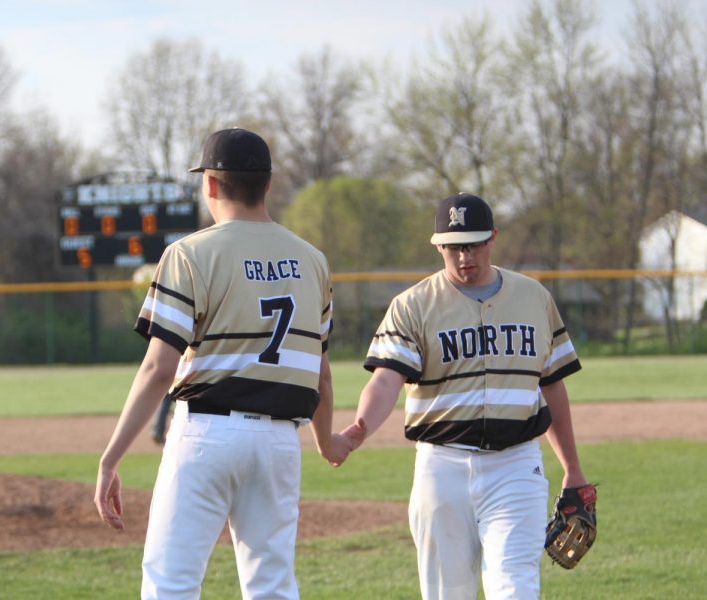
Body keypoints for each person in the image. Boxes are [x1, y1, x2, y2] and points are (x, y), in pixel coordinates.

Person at [94, 128, 349, 599]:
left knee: (171, 583)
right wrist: (326, 441)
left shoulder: (189, 254)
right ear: (268, 185)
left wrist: (111, 457)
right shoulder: (313, 261)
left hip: (206, 435)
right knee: (272, 586)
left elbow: (158, 369)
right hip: (278, 441)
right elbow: (322, 372)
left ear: (210, 184)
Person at [340, 193, 590, 599]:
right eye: (453, 247)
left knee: (515, 587)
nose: (463, 256)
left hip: (516, 465)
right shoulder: (413, 305)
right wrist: (360, 428)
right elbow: (386, 380)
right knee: (446, 593)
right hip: (441, 467)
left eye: (472, 244)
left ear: (492, 238)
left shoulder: (534, 299)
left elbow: (552, 384)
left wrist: (573, 469)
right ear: (438, 245)